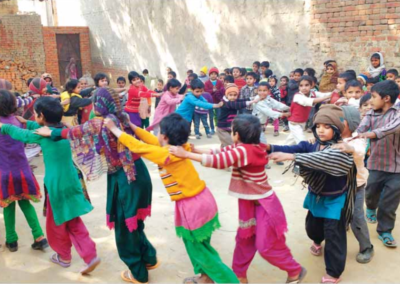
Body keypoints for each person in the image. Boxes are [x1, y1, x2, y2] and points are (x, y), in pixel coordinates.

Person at [35, 88, 157, 283]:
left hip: (126, 177)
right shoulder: (122, 117)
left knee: (125, 227)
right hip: (138, 171)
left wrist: (52, 132)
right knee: (135, 221)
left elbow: (75, 131)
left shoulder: (103, 122)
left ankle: (138, 273)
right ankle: (149, 257)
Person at [170, 114, 306, 284]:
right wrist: (196, 151)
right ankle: (239, 275)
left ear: (237, 134)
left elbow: (219, 161)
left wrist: (186, 155)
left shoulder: (245, 150)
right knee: (244, 239)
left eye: (232, 130)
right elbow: (221, 152)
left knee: (267, 245)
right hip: (248, 203)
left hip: (264, 205)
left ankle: (295, 270)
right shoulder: (244, 147)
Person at [104, 113, 239, 284]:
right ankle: (206, 278)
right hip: (204, 200)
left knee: (199, 250)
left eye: (159, 131)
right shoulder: (179, 148)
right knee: (201, 246)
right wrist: (132, 126)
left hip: (192, 207)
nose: (157, 134)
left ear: (165, 137)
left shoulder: (166, 155)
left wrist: (115, 129)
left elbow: (139, 147)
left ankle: (230, 281)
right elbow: (151, 141)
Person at [1, 96, 101, 274]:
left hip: (57, 185)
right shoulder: (62, 130)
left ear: (40, 115)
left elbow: (21, 135)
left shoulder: (43, 136)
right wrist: (27, 122)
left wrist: (5, 127)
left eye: (34, 114)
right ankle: (89, 254)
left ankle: (64, 256)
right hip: (72, 181)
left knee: (57, 223)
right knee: (73, 218)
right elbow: (39, 128)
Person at [268, 105, 357, 284]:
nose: (321, 130)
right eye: (318, 126)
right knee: (313, 228)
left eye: (326, 126)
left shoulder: (342, 150)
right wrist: (269, 147)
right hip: (316, 195)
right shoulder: (311, 144)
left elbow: (322, 159)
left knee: (334, 235)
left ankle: (333, 273)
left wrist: (293, 158)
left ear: (337, 129)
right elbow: (294, 149)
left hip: (335, 200)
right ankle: (317, 240)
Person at [0, 90, 47, 253]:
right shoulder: (18, 121)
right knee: (25, 203)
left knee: (8, 206)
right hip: (23, 171)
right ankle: (39, 237)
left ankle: (11, 241)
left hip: (5, 173)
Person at [357, 80, 400, 248]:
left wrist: (371, 134)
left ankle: (385, 231)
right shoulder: (371, 114)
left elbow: (393, 128)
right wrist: (356, 135)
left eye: (373, 97)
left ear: (387, 98)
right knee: (371, 192)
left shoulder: (397, 114)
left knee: (390, 202)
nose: (371, 100)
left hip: (397, 166)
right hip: (375, 163)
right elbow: (361, 130)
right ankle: (371, 208)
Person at [331, 106, 374, 263]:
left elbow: (360, 151)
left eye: (340, 120)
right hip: (336, 185)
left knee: (356, 216)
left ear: (350, 122)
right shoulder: (332, 137)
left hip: (355, 185)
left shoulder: (358, 138)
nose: (335, 122)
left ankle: (366, 246)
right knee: (336, 214)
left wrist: (349, 149)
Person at [285, 76, 331, 145]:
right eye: (301, 85)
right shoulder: (297, 96)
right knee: (302, 141)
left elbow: (323, 95)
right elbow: (310, 101)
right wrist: (327, 97)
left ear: (311, 85)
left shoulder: (313, 93)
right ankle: (304, 153)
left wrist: (335, 93)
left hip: (302, 122)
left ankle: (281, 150)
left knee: (290, 141)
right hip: (294, 123)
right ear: (298, 87)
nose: (304, 88)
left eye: (306, 85)